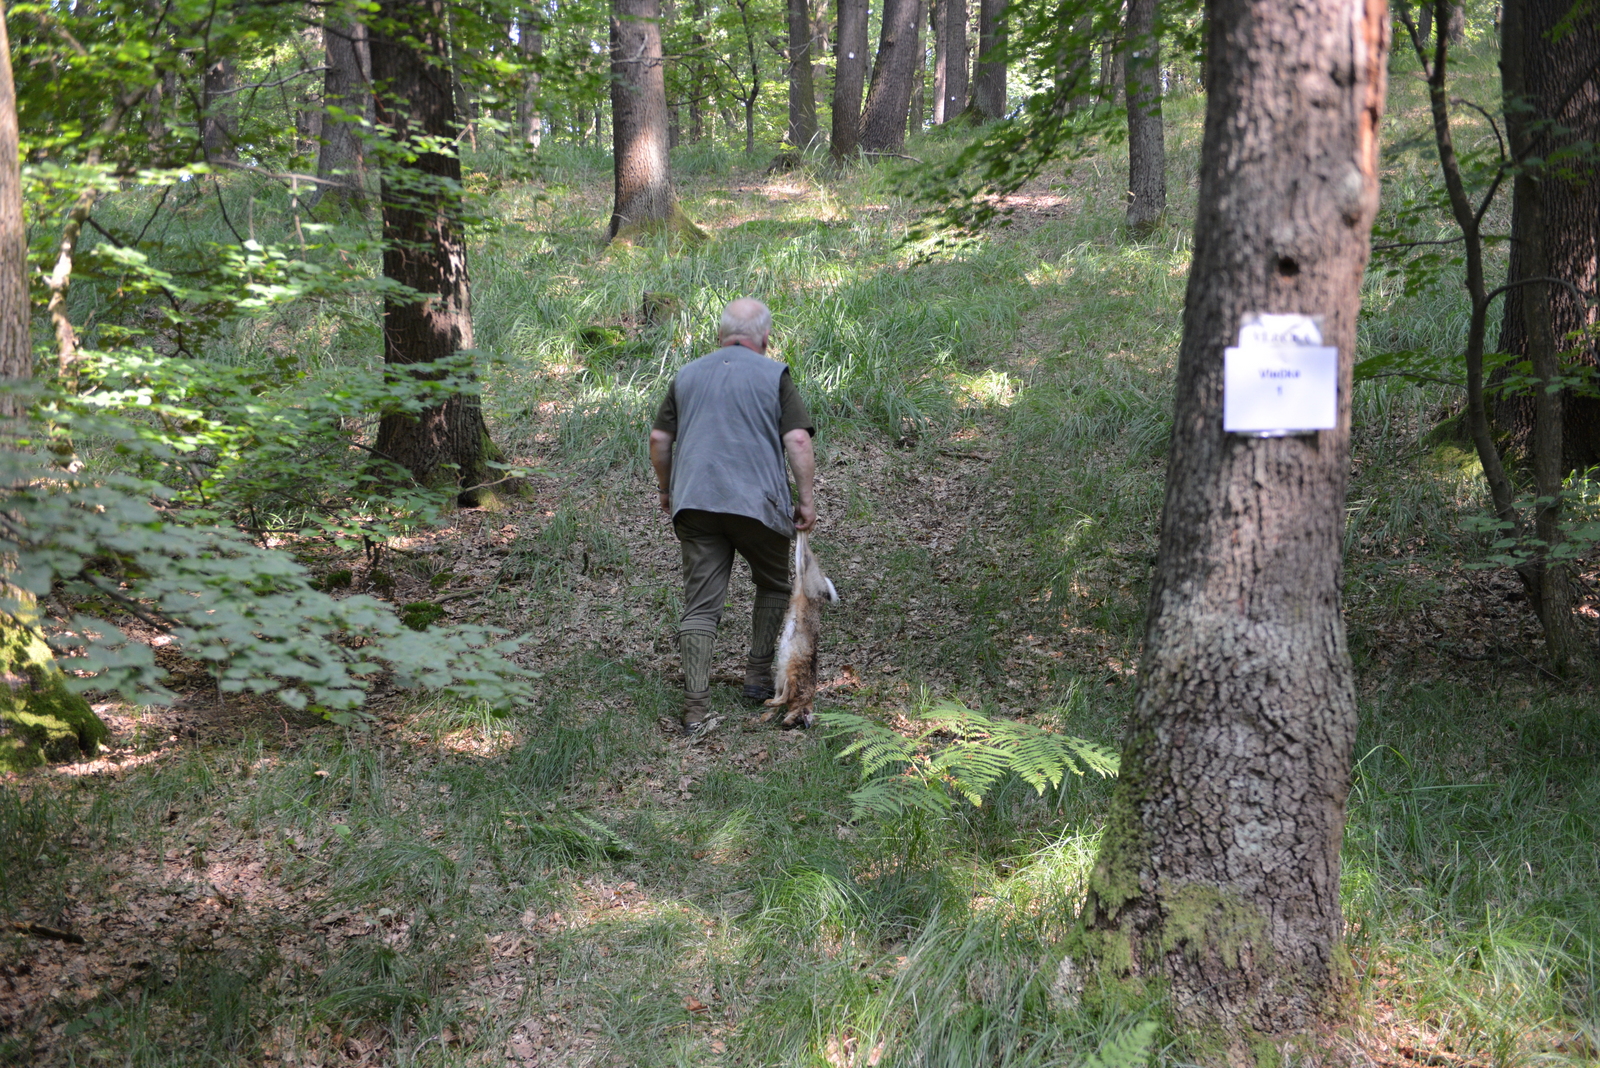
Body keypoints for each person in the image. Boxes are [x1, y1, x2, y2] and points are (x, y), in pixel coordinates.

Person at [648, 298, 816, 734]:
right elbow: (798, 440)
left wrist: (667, 489)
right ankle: (757, 678)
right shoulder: (773, 374)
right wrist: (806, 500)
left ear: (720, 336)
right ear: (765, 338)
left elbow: (660, 438)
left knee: (701, 606)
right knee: (773, 583)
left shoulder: (686, 375)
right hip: (759, 505)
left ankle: (695, 709)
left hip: (696, 503)